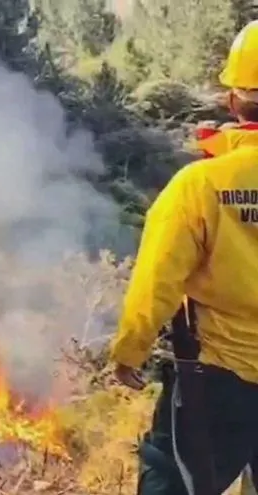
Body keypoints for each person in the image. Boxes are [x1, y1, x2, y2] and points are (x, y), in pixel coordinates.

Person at [109, 20, 258, 495]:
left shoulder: (200, 185)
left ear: (234, 100)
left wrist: (130, 350)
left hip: (219, 377)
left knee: (171, 479)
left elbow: (158, 279)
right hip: (222, 375)